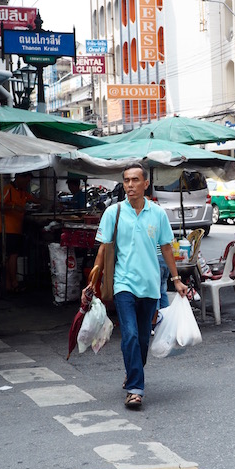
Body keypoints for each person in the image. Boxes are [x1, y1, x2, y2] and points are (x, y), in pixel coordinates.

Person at [91, 163, 188, 409]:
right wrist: (93, 280)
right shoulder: (113, 212)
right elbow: (103, 248)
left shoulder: (157, 214)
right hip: (123, 284)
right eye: (126, 180)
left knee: (143, 339)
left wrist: (176, 280)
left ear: (146, 184)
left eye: (135, 180)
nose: (130, 185)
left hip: (150, 287)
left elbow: (166, 247)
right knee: (131, 334)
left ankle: (133, 372)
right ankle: (136, 389)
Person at [0, 173, 39, 292]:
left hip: (16, 229)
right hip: (8, 229)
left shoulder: (22, 191)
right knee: (12, 256)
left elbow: (36, 200)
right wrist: (14, 207)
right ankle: (13, 283)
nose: (27, 184)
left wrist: (49, 203)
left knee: (10, 256)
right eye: (26, 181)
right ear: (19, 178)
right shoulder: (8, 189)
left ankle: (9, 285)